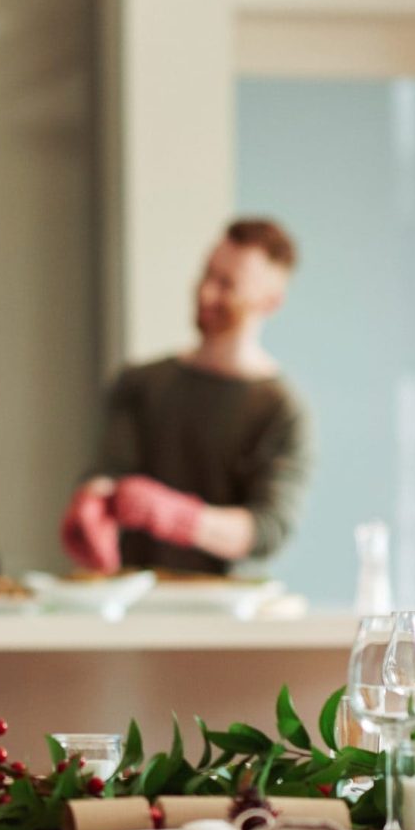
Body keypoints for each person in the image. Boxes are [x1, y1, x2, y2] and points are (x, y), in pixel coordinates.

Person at [61, 218, 311, 576]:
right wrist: (92, 504)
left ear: (270, 301)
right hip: (132, 603)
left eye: (227, 284)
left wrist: (180, 517)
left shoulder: (281, 412)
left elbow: (268, 528)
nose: (207, 292)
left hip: (227, 616)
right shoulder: (140, 382)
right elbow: (110, 469)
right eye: (208, 274)